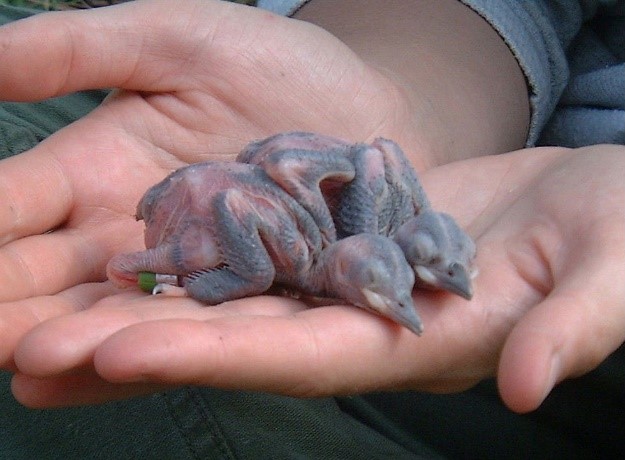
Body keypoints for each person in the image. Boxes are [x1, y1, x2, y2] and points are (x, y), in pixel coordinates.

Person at [0, 0, 623, 458]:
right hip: (235, 210)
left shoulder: (305, 240)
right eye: (417, 268)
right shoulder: (292, 235)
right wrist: (412, 96)